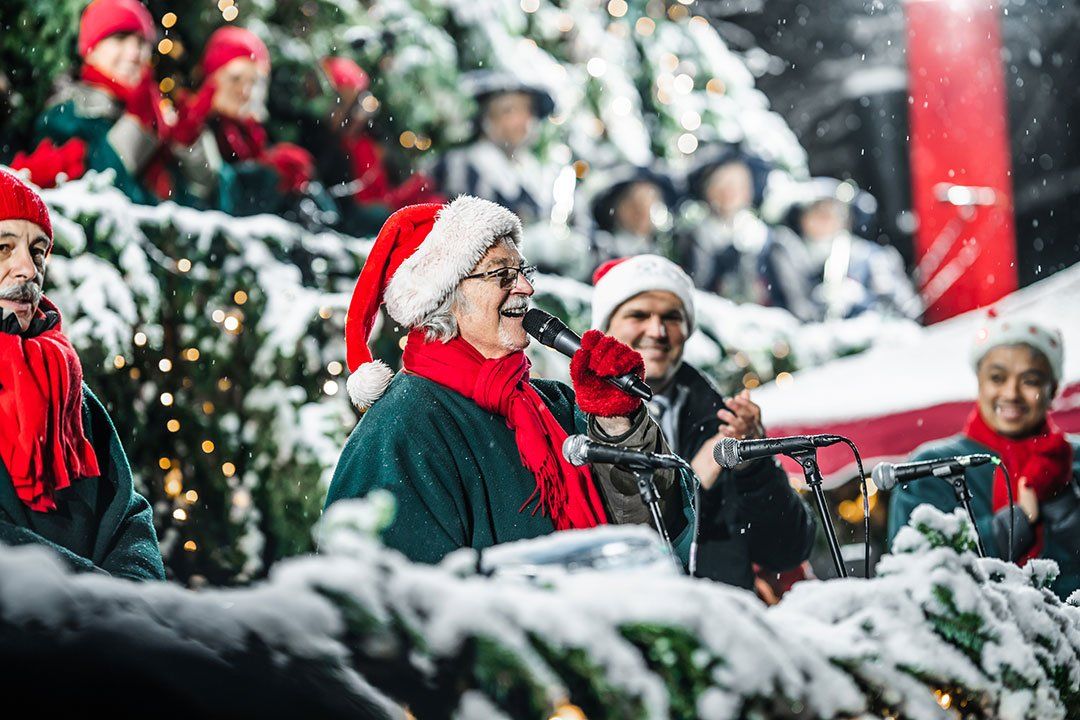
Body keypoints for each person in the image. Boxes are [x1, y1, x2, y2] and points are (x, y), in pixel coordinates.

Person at [324, 196, 698, 565]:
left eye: (522, 272)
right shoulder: (402, 428)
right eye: (501, 274)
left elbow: (649, 538)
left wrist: (618, 425)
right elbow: (395, 602)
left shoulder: (557, 405)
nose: (525, 288)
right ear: (445, 297)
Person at [592, 254, 816, 590]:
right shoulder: (571, 419)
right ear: (605, 328)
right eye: (638, 315)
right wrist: (694, 479)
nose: (657, 331)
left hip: (720, 622)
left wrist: (754, 467)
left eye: (671, 317)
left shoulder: (721, 420)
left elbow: (786, 551)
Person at [0, 169, 164, 580]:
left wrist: (136, 602)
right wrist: (95, 594)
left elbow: (126, 515)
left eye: (37, 251)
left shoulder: (64, 382)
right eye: (3, 248)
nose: (27, 269)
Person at [887, 313, 1080, 599]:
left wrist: (1065, 506)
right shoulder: (931, 468)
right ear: (979, 382)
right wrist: (1011, 526)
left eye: (1030, 380)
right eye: (997, 378)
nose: (1011, 393)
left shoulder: (1074, 461)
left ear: (1052, 390)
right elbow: (913, 574)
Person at [23, 0, 215, 205]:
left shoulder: (156, 115)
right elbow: (101, 193)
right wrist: (136, 126)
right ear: (91, 50)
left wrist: (188, 145)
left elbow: (197, 202)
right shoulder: (66, 114)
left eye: (142, 42)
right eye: (120, 38)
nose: (134, 54)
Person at [174, 26, 330, 221]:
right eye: (236, 79)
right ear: (214, 77)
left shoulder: (247, 132)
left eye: (253, 82)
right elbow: (209, 186)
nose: (245, 91)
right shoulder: (194, 125)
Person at [680, 147, 817, 321]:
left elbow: (796, 301)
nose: (729, 192)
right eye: (721, 184)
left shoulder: (774, 242)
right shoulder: (693, 240)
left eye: (737, 185)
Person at [312, 56, 443, 237]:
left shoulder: (366, 142)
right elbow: (368, 201)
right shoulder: (336, 146)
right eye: (351, 104)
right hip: (363, 214)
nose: (360, 112)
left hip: (378, 207)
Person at [431, 72, 558, 225]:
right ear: (486, 119)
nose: (523, 120)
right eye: (509, 111)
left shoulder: (532, 171)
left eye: (527, 110)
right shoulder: (461, 167)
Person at [788, 178, 921, 320]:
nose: (822, 222)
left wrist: (862, 300)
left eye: (829, 215)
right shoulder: (793, 260)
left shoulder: (870, 257)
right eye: (815, 215)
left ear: (847, 220)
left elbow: (905, 311)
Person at [588, 166, 677, 268]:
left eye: (650, 203)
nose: (642, 212)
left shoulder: (665, 255)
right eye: (633, 204)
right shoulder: (600, 251)